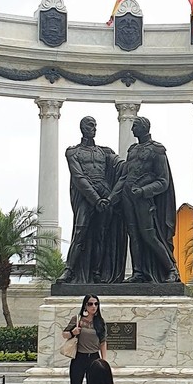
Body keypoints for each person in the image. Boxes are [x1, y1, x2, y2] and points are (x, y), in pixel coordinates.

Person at [111, 115, 180, 283]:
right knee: (133, 236)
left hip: (144, 200)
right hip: (128, 197)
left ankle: (171, 270)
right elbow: (125, 176)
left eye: (135, 126)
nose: (132, 129)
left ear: (143, 128)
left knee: (149, 235)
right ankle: (138, 272)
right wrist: (112, 197)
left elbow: (163, 181)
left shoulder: (157, 150)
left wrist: (143, 191)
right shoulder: (132, 150)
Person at [59, 117, 126, 284]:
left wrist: (137, 159)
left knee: (102, 234)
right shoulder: (73, 152)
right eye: (90, 125)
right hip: (86, 195)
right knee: (80, 231)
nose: (93, 128)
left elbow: (122, 166)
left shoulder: (105, 151)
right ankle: (69, 270)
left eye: (95, 125)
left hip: (105, 192)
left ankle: (98, 272)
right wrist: (96, 200)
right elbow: (79, 177)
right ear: (82, 128)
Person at [63, 295, 108, 384]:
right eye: (90, 304)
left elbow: (103, 342)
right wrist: (72, 333)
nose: (93, 306)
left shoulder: (100, 322)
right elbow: (64, 334)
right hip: (79, 357)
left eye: (96, 304)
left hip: (94, 358)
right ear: (85, 306)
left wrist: (104, 361)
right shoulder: (77, 319)